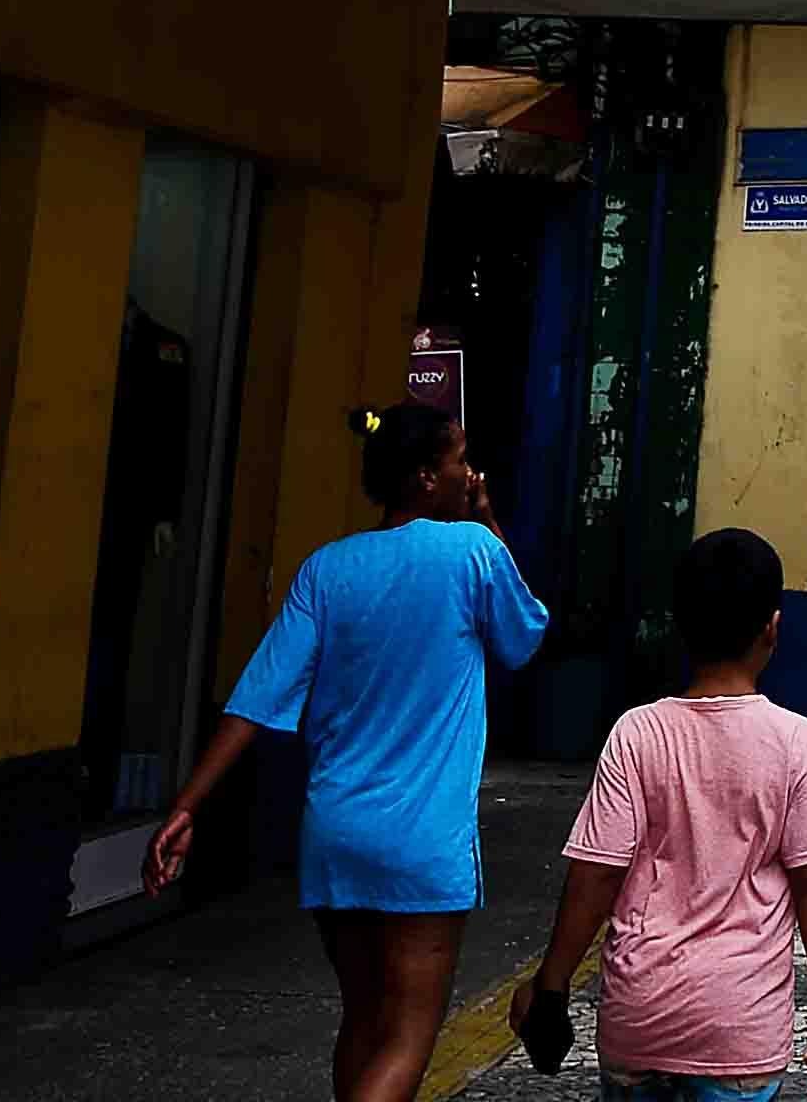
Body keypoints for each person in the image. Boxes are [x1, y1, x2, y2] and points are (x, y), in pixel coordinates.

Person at [146, 404, 547, 1102]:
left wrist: (187, 804)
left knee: (362, 1021)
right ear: (427, 478)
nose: (471, 474)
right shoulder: (471, 553)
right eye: (460, 462)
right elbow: (523, 636)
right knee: (408, 1036)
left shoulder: (327, 570)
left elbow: (256, 698)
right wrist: (485, 517)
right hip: (422, 843)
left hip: (336, 833)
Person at [509, 529, 807, 1101]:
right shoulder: (799, 743)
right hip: (739, 1029)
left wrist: (550, 985)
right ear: (772, 628)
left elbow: (596, 875)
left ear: (679, 628)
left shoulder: (636, 733)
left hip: (639, 1017)